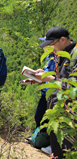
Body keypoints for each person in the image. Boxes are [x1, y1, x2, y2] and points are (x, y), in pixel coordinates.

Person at [35, 26, 77, 159]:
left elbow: (73, 86)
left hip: (69, 116)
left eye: (52, 45)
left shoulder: (74, 56)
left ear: (63, 40)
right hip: (57, 113)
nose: (50, 49)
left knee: (67, 150)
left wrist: (52, 79)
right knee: (57, 151)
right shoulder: (62, 54)